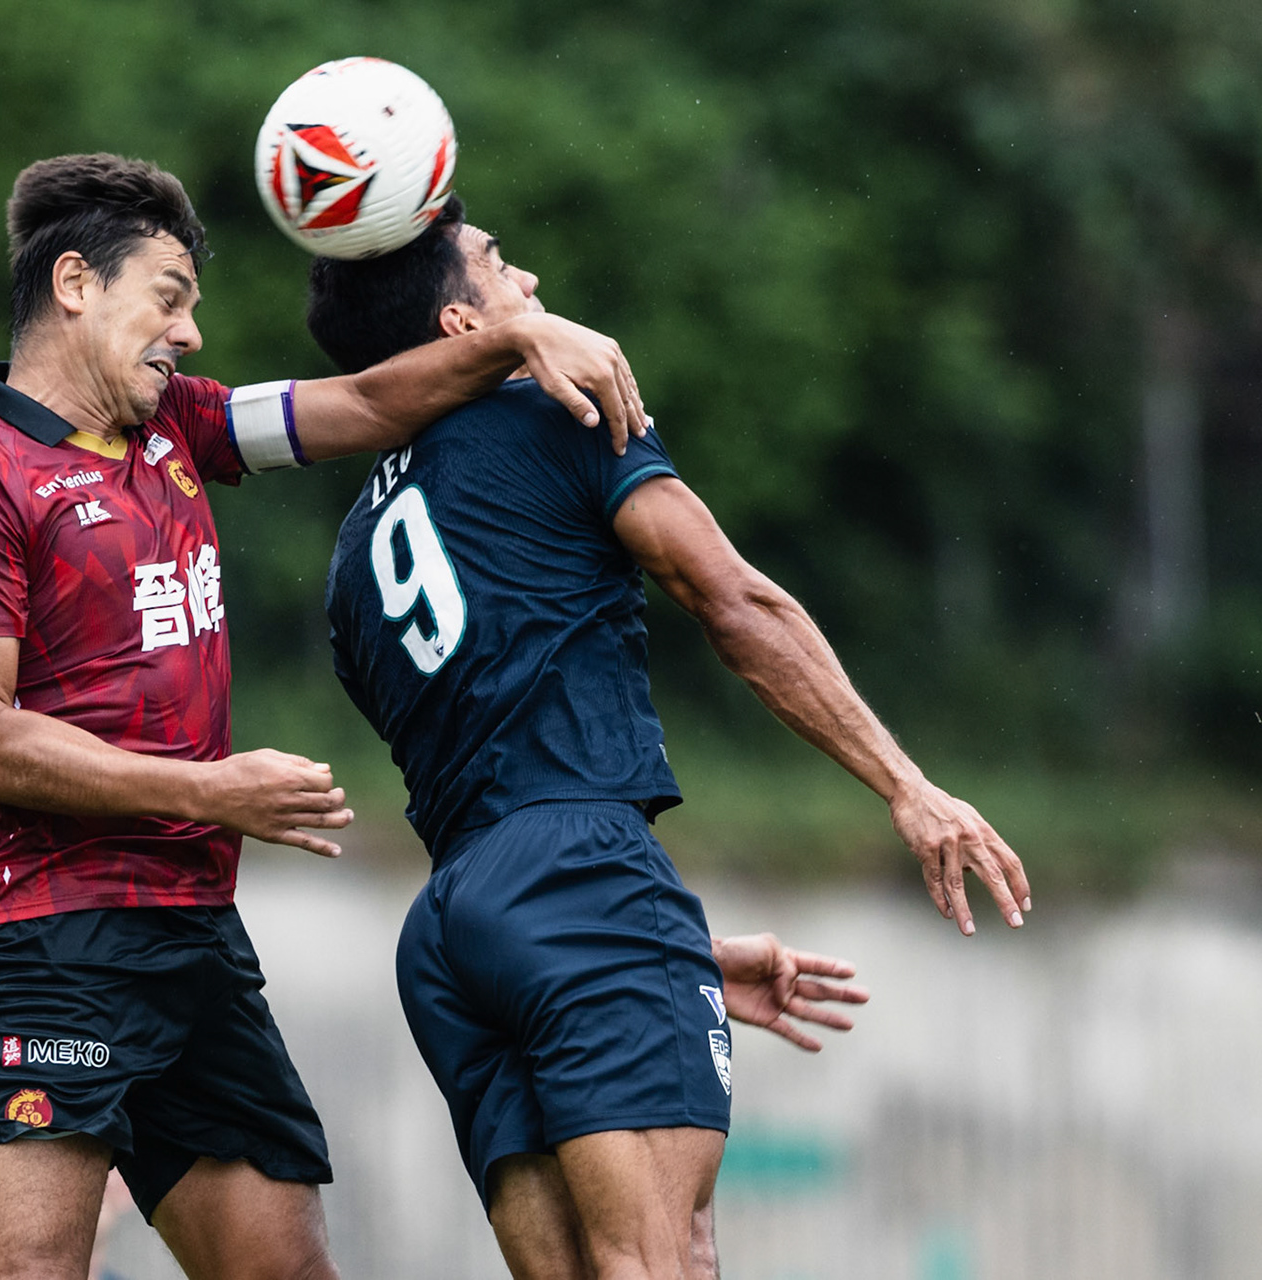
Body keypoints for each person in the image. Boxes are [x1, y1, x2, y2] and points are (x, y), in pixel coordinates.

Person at [0, 153, 652, 1280]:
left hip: (191, 936)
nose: (190, 333)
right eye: (170, 295)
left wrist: (511, 340)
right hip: (35, 940)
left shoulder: (177, 428)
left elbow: (362, 404)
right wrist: (212, 789)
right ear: (74, 285)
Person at [313, 195, 1031, 1280]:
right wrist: (906, 783)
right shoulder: (559, 414)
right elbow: (735, 602)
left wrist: (668, 954)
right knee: (665, 1258)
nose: (534, 285)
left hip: (455, 932)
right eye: (503, 269)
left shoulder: (352, 551)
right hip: (583, 883)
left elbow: (496, 750)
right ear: (464, 329)